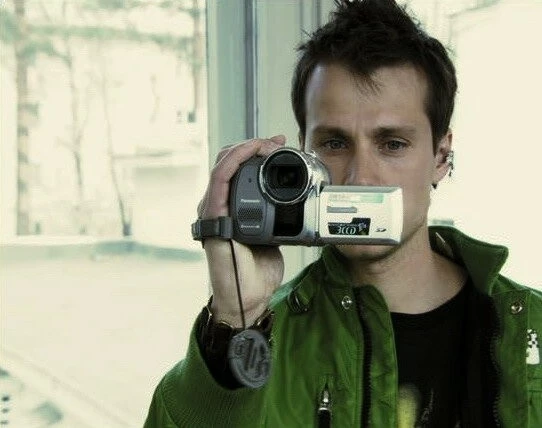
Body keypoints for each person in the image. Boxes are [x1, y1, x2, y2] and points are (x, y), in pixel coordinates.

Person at [144, 0, 542, 426]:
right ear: (303, 151)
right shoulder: (260, 337)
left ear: (441, 156)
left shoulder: (530, 327)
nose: (359, 177)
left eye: (392, 144)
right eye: (334, 144)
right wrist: (236, 319)